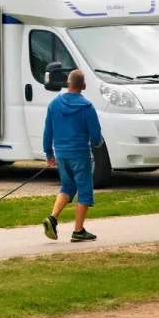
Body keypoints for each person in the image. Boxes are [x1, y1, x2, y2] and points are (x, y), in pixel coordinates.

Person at [42, 69, 104, 242]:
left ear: (67, 84)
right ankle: (78, 230)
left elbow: (48, 131)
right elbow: (95, 133)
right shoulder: (87, 107)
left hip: (61, 154)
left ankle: (53, 218)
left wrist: (49, 153)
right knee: (84, 190)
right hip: (80, 153)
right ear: (83, 86)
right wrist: (98, 143)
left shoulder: (54, 104)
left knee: (67, 187)